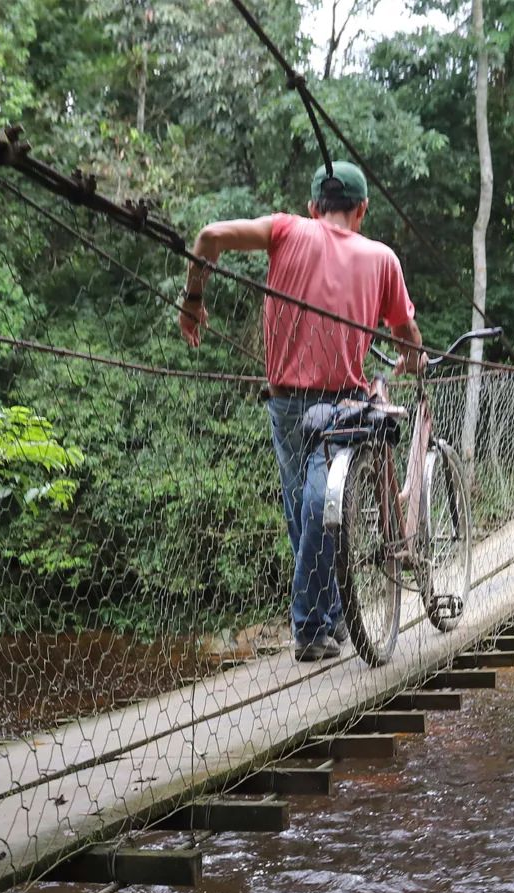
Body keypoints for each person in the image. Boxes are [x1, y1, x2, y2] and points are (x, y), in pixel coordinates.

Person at [178, 162, 424, 662]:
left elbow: (208, 237)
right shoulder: (382, 257)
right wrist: (414, 356)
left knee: (311, 510)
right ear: (362, 210)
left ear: (313, 207)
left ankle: (314, 625)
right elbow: (405, 331)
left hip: (290, 403)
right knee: (307, 513)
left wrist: (192, 301)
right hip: (329, 407)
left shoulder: (285, 230)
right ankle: (323, 622)